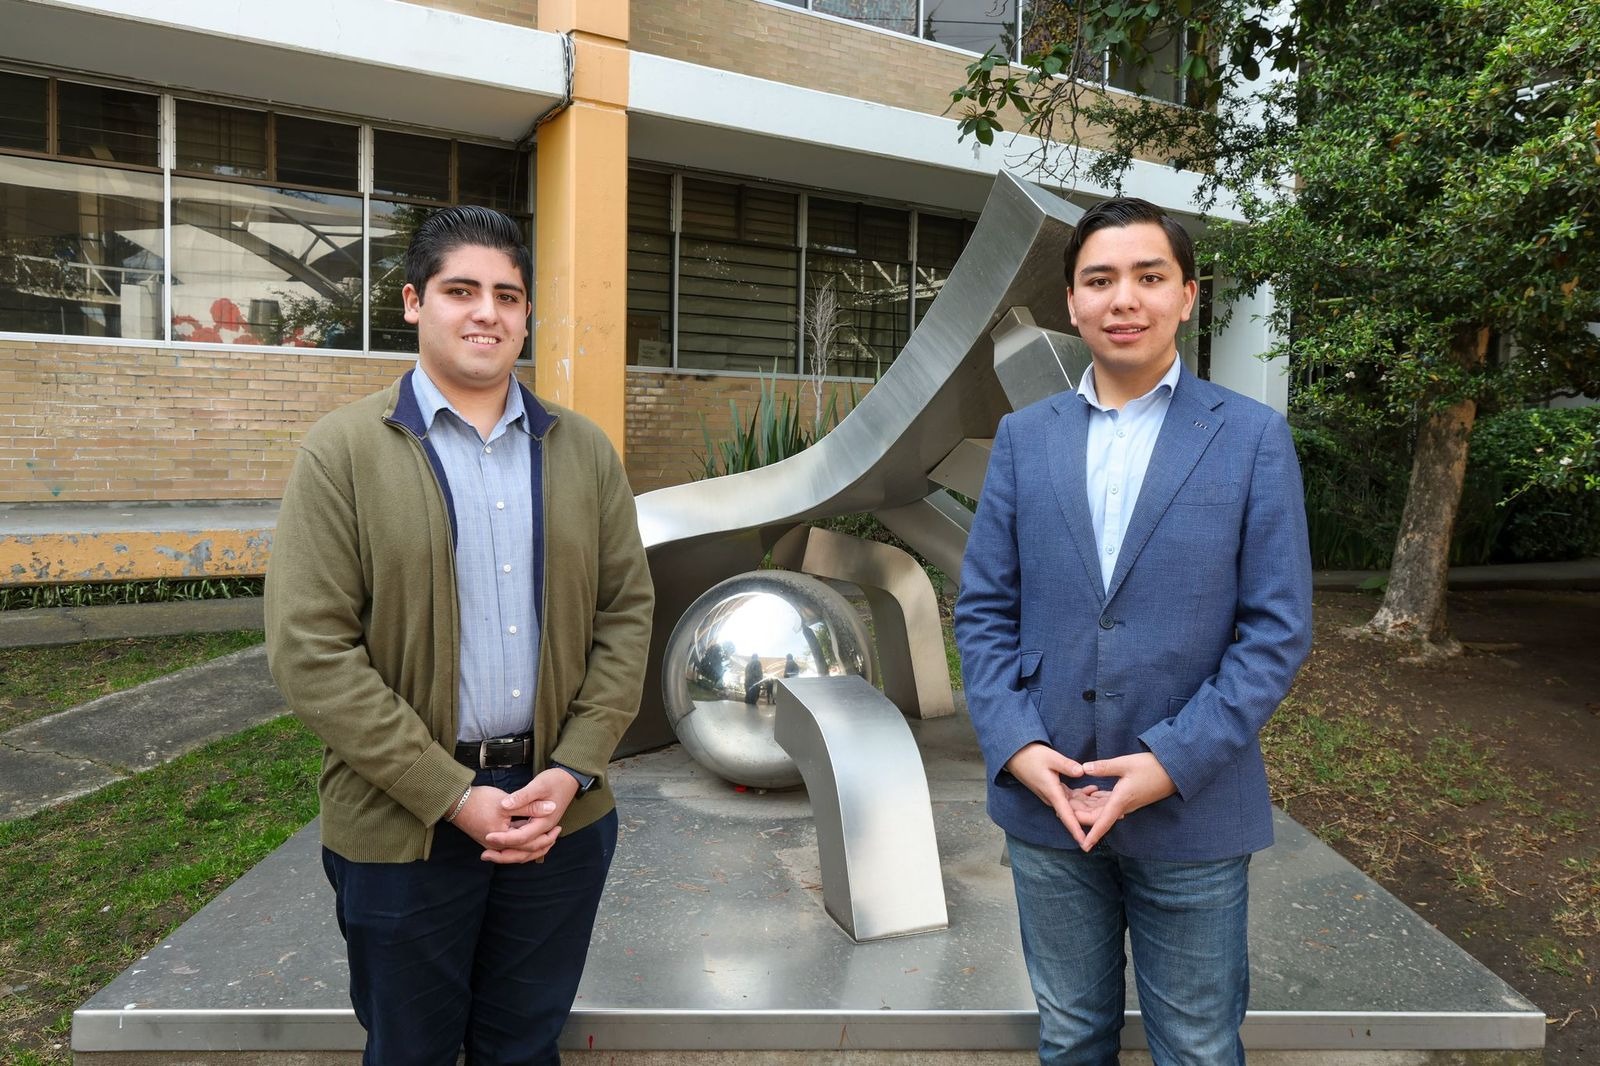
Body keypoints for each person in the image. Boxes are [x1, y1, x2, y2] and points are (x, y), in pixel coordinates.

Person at [265, 205, 654, 1066]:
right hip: (405, 825)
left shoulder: (582, 450)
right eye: (461, 290)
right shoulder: (342, 454)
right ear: (413, 302)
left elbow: (626, 615)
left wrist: (572, 767)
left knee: (525, 1047)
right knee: (409, 1052)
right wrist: (452, 795)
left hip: (559, 814)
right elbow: (311, 652)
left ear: (525, 315)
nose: (487, 312)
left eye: (508, 295)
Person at [954, 197, 1312, 1065]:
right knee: (1071, 1036)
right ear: (1072, 303)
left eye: (1149, 277)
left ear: (1187, 295)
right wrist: (1016, 746)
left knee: (1194, 1043)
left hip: (1191, 804)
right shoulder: (1022, 438)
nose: (1125, 299)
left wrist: (1167, 764)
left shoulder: (1252, 438)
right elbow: (984, 610)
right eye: (1100, 279)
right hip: (1051, 802)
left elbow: (1276, 630)